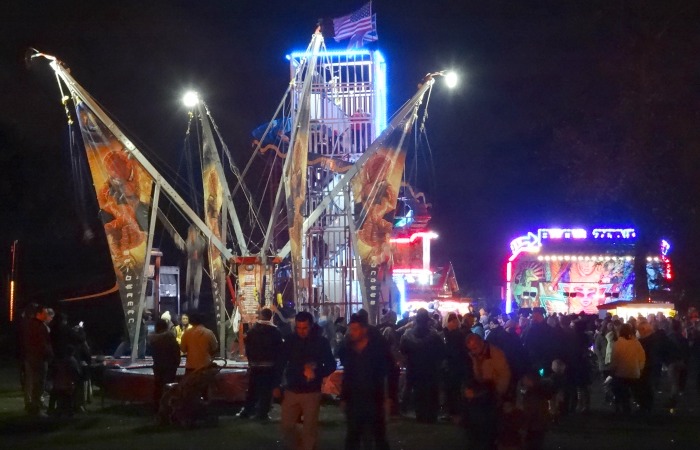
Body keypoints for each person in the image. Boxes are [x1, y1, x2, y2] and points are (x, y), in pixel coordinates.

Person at [276, 311, 336, 450]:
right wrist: (276, 384)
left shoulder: (321, 342)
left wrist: (316, 372)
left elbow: (330, 365)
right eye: (298, 328)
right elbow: (281, 363)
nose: (301, 331)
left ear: (311, 326)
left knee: (309, 428)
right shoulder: (290, 341)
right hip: (292, 389)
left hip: (311, 391)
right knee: (287, 426)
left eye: (305, 328)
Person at [337, 314, 391, 450]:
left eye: (355, 329)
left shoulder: (376, 348)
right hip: (354, 399)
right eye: (351, 329)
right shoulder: (349, 348)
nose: (352, 333)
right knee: (353, 435)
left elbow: (386, 372)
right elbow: (348, 374)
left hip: (374, 398)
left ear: (364, 330)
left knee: (378, 435)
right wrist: (344, 396)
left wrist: (387, 396)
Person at [463, 333, 511, 450]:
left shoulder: (495, 353)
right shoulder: (474, 355)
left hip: (492, 392)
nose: (473, 351)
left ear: (481, 343)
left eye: (475, 348)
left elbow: (505, 375)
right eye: (471, 349)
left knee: (490, 426)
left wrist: (498, 393)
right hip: (482, 392)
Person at [400, 308, 445, 423]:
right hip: (430, 369)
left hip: (414, 369)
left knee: (418, 393)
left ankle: (420, 415)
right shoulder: (434, 335)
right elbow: (441, 352)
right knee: (431, 393)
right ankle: (430, 416)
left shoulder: (408, 335)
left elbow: (403, 351)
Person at [238, 308, 283, 421]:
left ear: (261, 316)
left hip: (255, 364)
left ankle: (247, 410)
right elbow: (279, 350)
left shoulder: (253, 330)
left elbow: (248, 348)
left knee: (252, 389)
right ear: (270, 317)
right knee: (266, 390)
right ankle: (262, 413)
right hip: (269, 365)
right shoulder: (275, 332)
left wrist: (250, 361)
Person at [22, 305, 53, 417]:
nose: (47, 314)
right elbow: (43, 344)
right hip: (39, 358)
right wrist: (49, 354)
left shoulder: (30, 325)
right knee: (39, 383)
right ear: (39, 313)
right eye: (45, 312)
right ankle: (36, 408)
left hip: (31, 357)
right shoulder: (39, 326)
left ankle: (33, 405)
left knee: (33, 382)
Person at [610, 323, 645, 414]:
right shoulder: (636, 343)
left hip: (620, 373)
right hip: (634, 372)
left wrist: (613, 370)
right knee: (635, 391)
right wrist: (640, 368)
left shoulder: (617, 344)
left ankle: (623, 409)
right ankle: (639, 408)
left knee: (621, 392)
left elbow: (614, 359)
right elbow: (642, 357)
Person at [148, 318, 181, 411]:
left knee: (158, 386)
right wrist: (176, 363)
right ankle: (167, 407)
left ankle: (156, 407)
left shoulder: (153, 339)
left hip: (158, 365)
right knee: (168, 387)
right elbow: (176, 351)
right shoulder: (170, 337)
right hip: (170, 366)